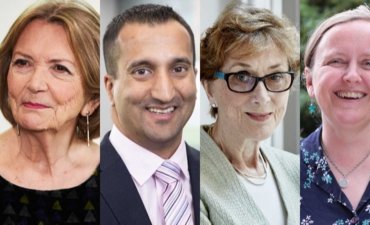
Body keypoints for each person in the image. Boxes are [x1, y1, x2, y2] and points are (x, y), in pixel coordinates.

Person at [0, 0, 100, 224]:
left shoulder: (119, 177)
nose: (35, 84)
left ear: (92, 100)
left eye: (59, 68)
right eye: (23, 63)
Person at [200, 3, 300, 225]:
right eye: (242, 76)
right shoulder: (183, 176)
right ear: (209, 87)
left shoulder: (297, 170)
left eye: (275, 76)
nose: (262, 97)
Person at [101, 4, 199, 225]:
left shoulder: (215, 172)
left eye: (178, 69)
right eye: (142, 71)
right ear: (110, 88)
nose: (164, 93)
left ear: (195, 76)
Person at [301, 5, 370, 225]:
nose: (352, 76)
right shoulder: (280, 171)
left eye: (368, 63)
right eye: (336, 61)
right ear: (310, 81)